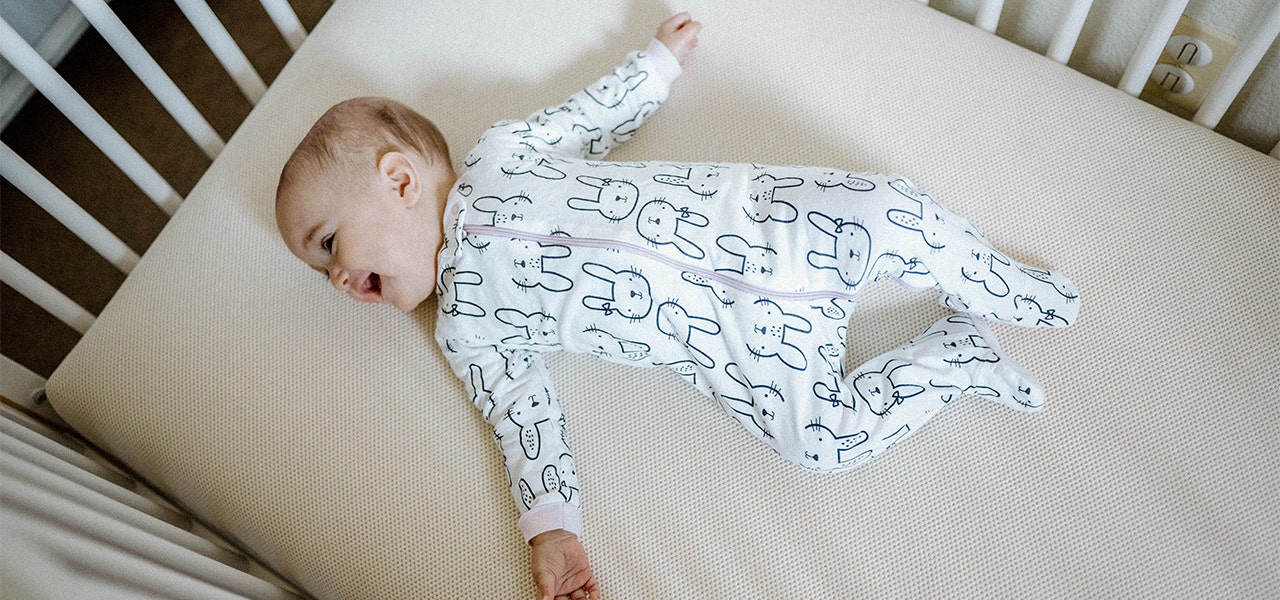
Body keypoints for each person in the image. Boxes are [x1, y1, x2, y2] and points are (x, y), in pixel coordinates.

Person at [276, 12, 1079, 600]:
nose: (336, 281)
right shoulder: (467, 325)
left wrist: (653, 68)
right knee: (822, 444)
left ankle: (990, 276)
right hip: (735, 347)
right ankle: (957, 357)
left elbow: (585, 121)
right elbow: (522, 417)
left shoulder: (499, 156)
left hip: (754, 221)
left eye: (327, 245)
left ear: (400, 179)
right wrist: (552, 530)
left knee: (885, 211)